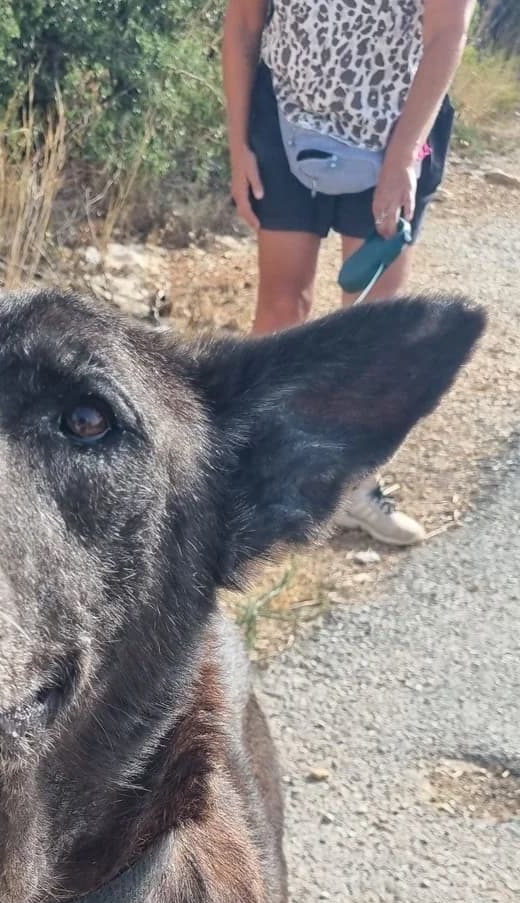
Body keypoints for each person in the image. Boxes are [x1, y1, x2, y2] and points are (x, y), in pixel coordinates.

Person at [222, 0, 476, 545]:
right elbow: (244, 23)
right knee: (282, 309)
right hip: (285, 127)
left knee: (371, 322)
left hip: (395, 134)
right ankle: (260, 474)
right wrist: (238, 143)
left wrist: (404, 157)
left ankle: (353, 487)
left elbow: (448, 32)